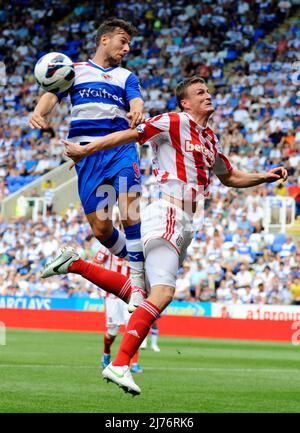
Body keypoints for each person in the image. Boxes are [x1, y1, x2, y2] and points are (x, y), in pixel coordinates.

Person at [62, 75, 288, 395]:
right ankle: (120, 363)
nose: (207, 95)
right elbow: (131, 134)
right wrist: (88, 150)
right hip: (167, 212)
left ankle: (76, 264)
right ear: (185, 102)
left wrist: (265, 176)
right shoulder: (173, 121)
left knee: (144, 292)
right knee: (164, 294)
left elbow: (231, 176)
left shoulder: (210, 138)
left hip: (186, 224)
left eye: (208, 91)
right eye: (200, 92)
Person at [30, 18, 146, 312]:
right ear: (104, 39)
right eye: (123, 41)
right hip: (86, 157)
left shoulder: (126, 77)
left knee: (130, 212)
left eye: (129, 43)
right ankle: (137, 260)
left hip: (119, 150)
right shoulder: (75, 71)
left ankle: (138, 282)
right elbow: (52, 93)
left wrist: (136, 110)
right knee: (101, 230)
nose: (127, 48)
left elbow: (136, 102)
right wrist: (39, 112)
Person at [93, 245, 143, 373]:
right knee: (113, 330)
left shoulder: (137, 244)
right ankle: (106, 354)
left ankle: (134, 363)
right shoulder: (109, 244)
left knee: (133, 328)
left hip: (132, 294)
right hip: (112, 294)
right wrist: (105, 279)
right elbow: (96, 262)